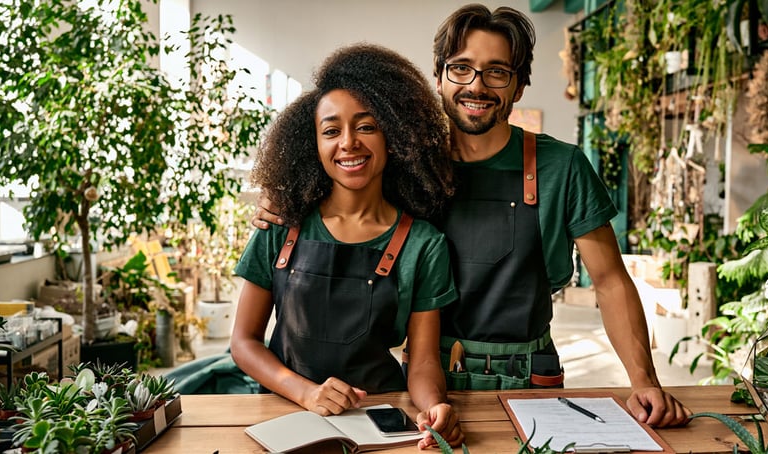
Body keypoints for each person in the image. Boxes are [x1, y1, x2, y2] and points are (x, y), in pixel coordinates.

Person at [253, 5, 691, 428]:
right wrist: (283, 201)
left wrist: (644, 381)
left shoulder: (562, 168)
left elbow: (610, 281)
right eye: (461, 68)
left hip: (530, 378)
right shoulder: (403, 166)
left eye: (497, 71)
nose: (476, 86)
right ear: (439, 77)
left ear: (518, 87)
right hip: (428, 379)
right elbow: (340, 196)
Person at [231, 43, 464, 449]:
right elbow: (243, 342)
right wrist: (305, 392)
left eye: (367, 126)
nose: (349, 143)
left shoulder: (424, 244)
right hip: (284, 415)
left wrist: (433, 406)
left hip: (379, 421)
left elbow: (424, 359)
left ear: (394, 135)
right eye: (331, 130)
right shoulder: (280, 226)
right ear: (313, 145)